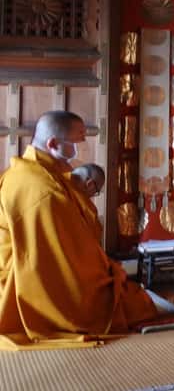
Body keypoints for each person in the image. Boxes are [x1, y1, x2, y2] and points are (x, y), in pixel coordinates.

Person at [0, 111, 157, 349]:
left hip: (34, 268)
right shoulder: (42, 189)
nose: (79, 150)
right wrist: (106, 275)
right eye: (75, 143)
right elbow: (61, 263)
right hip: (23, 281)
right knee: (136, 306)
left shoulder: (38, 172)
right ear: (53, 144)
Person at [70, 163, 105, 240]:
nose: (93, 195)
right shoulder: (87, 210)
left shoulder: (58, 184)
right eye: (96, 191)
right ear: (90, 184)